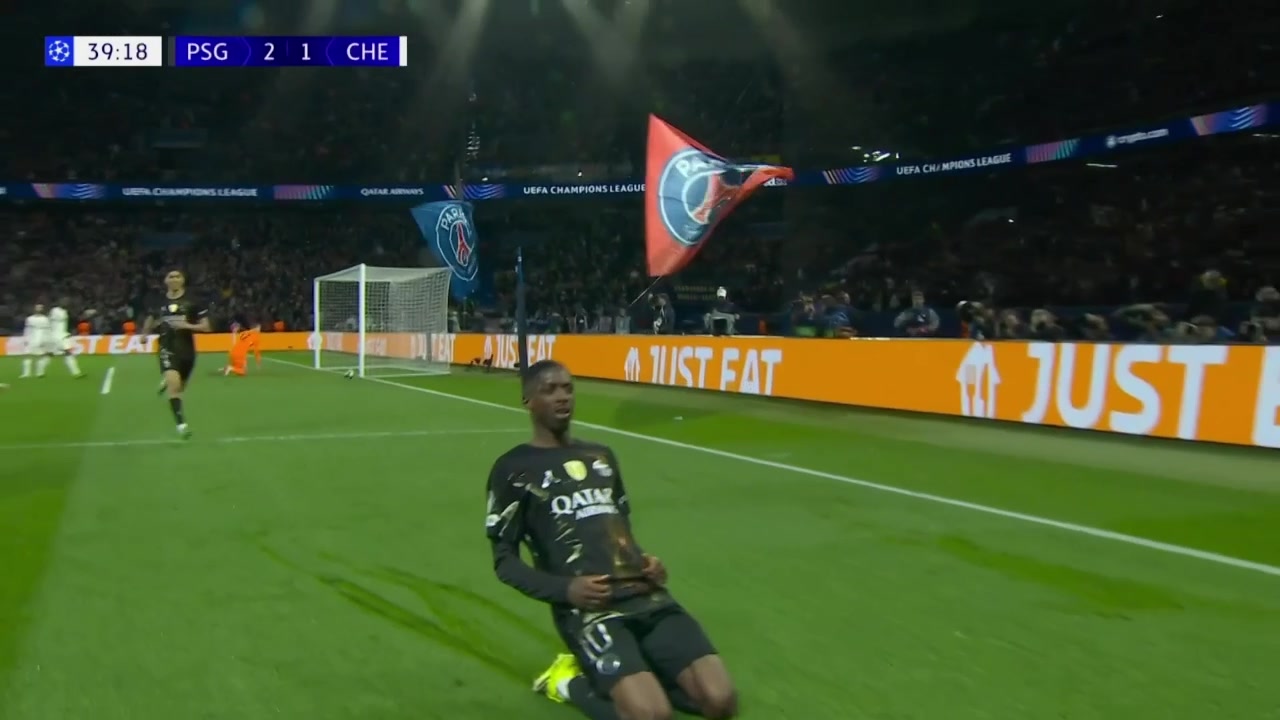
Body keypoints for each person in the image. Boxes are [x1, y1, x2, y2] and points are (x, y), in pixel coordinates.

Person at [486, 360, 738, 720]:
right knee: (652, 716)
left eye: (568, 388)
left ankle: (642, 672)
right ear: (528, 400)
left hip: (647, 595)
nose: (562, 397)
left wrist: (647, 561)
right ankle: (567, 682)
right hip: (591, 610)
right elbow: (504, 561)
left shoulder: (601, 456)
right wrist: (565, 590)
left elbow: (619, 529)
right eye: (550, 390)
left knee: (720, 702)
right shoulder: (512, 469)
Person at [141, 270, 210, 438]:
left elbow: (206, 327)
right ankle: (181, 425)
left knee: (180, 387)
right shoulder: (159, 301)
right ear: (165, 280)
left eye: (177, 276)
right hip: (166, 347)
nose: (174, 279)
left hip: (187, 350)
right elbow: (151, 318)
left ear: (183, 280)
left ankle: (168, 379)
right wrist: (144, 333)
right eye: (170, 277)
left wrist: (186, 326)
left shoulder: (194, 301)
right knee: (175, 388)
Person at [48, 299, 84, 378]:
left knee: (67, 353)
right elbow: (53, 320)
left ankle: (76, 373)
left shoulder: (65, 312)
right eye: (64, 302)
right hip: (56, 335)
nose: (66, 303)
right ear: (59, 302)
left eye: (67, 302)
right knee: (63, 353)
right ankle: (76, 373)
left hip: (62, 335)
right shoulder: (55, 310)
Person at [20, 304, 51, 379]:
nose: (38, 309)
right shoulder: (29, 318)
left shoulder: (45, 319)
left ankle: (40, 373)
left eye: (40, 308)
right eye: (37, 307)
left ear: (42, 309)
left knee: (41, 356)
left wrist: (46, 340)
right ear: (34, 309)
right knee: (27, 355)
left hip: (41, 339)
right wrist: (25, 339)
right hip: (31, 338)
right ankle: (26, 374)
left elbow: (48, 331)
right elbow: (27, 329)